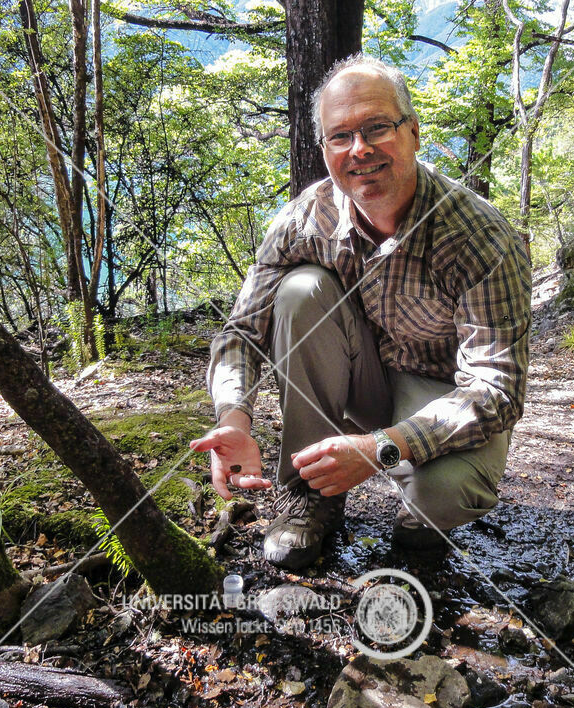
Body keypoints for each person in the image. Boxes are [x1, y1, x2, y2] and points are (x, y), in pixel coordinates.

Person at [190, 54, 531, 571]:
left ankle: (421, 528)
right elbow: (242, 330)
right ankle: (308, 493)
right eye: (340, 136)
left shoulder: (479, 238)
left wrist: (380, 449)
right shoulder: (305, 219)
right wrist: (233, 413)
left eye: (377, 128)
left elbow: (496, 389)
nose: (360, 150)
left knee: (445, 493)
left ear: (414, 133)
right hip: (361, 378)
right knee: (301, 290)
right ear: (325, 150)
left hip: (441, 392)